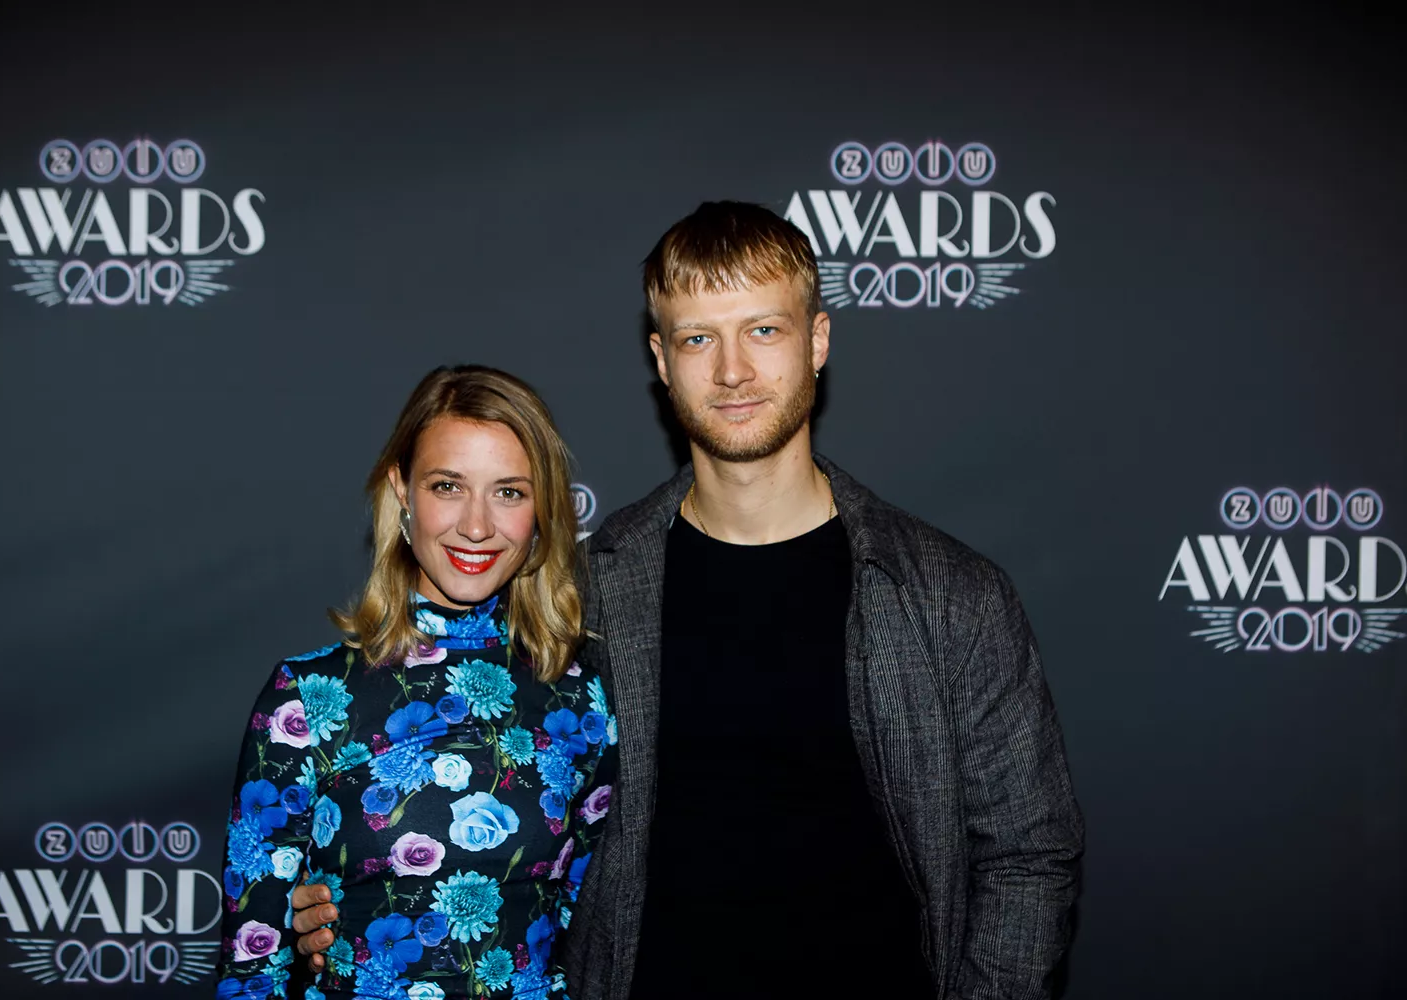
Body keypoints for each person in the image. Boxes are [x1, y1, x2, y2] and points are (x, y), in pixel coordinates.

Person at [293, 202, 1083, 998]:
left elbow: (1028, 855)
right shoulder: (582, 592)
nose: (732, 371)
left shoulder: (949, 596)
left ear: (817, 341)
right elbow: (465, 769)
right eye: (699, 338)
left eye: (763, 331)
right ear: (662, 360)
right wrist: (342, 895)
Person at [215, 366, 616, 1000]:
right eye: (447, 486)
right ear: (402, 490)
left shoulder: (583, 702)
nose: (476, 526)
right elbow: (250, 969)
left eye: (509, 492)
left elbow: (594, 931)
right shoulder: (308, 697)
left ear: (543, 507)